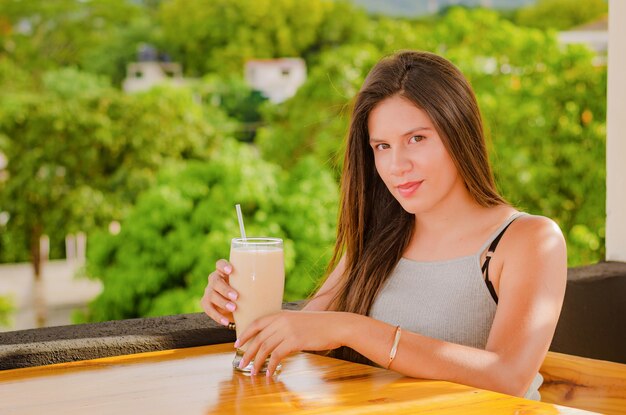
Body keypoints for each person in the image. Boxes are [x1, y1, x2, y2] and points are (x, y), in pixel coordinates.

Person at [201, 50, 567, 400]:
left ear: (459, 132)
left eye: (417, 139)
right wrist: (241, 309)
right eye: (382, 147)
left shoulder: (527, 240)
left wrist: (353, 328)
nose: (397, 166)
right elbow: (304, 333)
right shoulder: (377, 240)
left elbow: (507, 377)